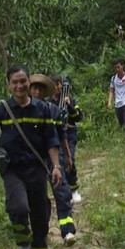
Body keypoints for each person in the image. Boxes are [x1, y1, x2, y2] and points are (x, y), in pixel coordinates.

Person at [0, 65, 63, 249]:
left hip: (36, 169)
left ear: (29, 81)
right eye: (15, 82)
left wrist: (56, 166)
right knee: (18, 208)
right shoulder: (0, 109)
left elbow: (52, 140)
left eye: (23, 81)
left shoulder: (43, 109)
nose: (19, 86)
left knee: (40, 213)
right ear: (9, 85)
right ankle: (23, 247)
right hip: (12, 170)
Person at [28, 73, 78, 247]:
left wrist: (68, 157)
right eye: (34, 87)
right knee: (39, 200)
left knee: (62, 193)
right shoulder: (22, 112)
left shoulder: (52, 110)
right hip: (34, 161)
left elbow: (62, 135)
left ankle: (67, 230)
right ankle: (41, 233)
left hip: (54, 157)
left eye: (40, 88)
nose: (37, 91)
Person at [48, 74, 84, 203]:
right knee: (59, 163)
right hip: (55, 136)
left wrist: (69, 106)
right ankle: (64, 191)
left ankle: (74, 189)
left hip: (69, 134)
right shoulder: (47, 103)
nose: (57, 87)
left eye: (59, 84)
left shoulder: (69, 99)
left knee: (70, 160)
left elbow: (78, 118)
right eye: (55, 84)